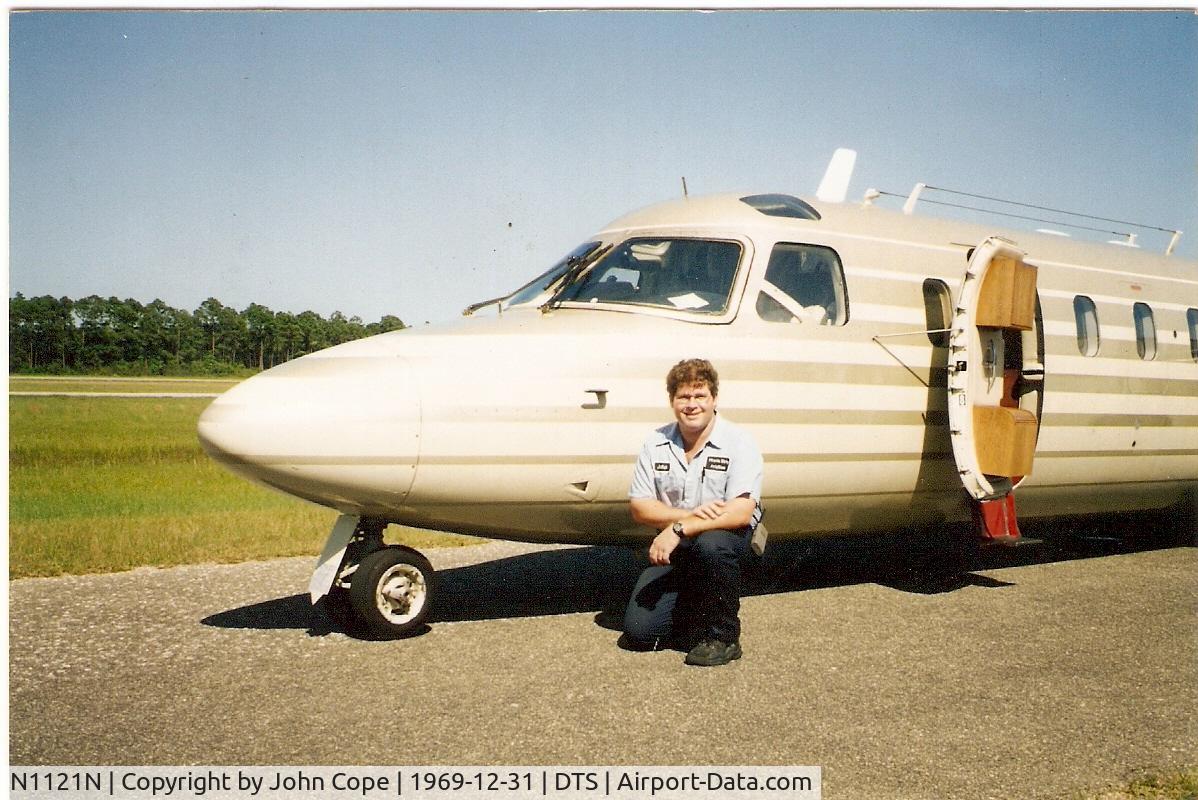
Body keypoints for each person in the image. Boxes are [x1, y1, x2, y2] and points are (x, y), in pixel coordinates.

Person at [620, 358, 764, 667]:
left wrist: (678, 526)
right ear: (672, 400)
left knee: (712, 545)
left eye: (700, 396)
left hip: (725, 543)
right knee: (640, 634)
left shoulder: (739, 442)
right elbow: (640, 507)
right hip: (682, 549)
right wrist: (690, 518)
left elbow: (739, 513)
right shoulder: (655, 442)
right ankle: (696, 602)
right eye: (683, 396)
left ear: (714, 399)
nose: (692, 404)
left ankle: (723, 637)